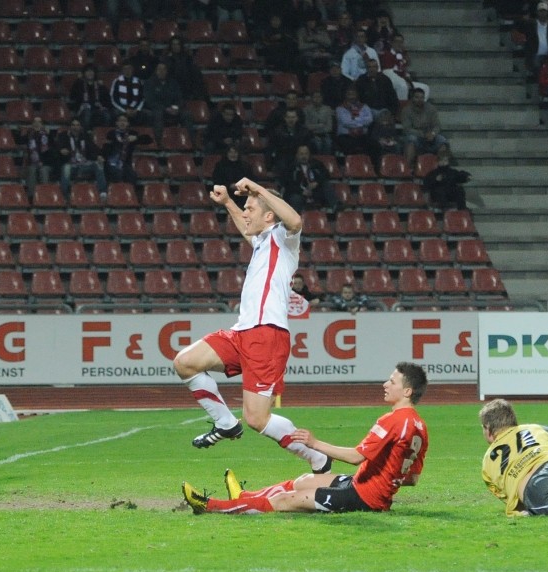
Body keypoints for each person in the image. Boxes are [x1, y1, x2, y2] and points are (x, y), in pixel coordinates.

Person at [172, 178, 332, 474]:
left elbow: (296, 221)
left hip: (267, 335)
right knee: (185, 362)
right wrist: (228, 203)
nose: (244, 213)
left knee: (257, 419)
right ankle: (225, 423)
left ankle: (318, 457)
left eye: (249, 208)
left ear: (269, 215)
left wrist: (258, 189)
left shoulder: (284, 238)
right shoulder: (262, 242)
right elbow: (246, 228)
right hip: (242, 332)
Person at [181, 362, 429, 515]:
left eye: (392, 381)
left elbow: (356, 457)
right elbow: (412, 479)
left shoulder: (393, 420)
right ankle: (245, 497)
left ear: (407, 391)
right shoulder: (420, 426)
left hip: (364, 498)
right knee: (304, 481)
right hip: (363, 486)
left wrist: (314, 443)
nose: (385, 384)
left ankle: (209, 506)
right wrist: (387, 481)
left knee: (285, 501)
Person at [57, 118, 107, 199]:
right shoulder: (63, 136)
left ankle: (102, 192)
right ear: (70, 127)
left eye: (77, 125)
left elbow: (94, 149)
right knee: (66, 168)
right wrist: (61, 150)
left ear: (80, 127)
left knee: (98, 164)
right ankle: (65, 195)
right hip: (71, 164)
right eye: (73, 125)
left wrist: (99, 156)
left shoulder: (85, 136)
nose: (75, 127)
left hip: (84, 164)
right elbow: (58, 147)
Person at [280, 143, 335, 212]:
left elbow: (326, 175)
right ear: (297, 155)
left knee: (327, 184)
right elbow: (287, 184)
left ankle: (336, 207)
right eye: (301, 154)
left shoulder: (316, 164)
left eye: (306, 154)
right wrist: (302, 191)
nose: (304, 156)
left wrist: (317, 182)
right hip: (299, 193)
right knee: (295, 198)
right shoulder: (290, 167)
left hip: (315, 191)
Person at [400, 87, 448, 167]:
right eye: (417, 97)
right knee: (411, 139)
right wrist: (423, 134)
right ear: (412, 98)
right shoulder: (406, 110)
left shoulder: (431, 108)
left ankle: (443, 167)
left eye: (422, 97)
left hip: (430, 137)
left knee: (442, 140)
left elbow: (437, 125)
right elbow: (407, 129)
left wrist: (433, 134)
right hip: (417, 138)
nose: (420, 100)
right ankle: (408, 167)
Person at [15, 115, 57, 198]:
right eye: (35, 122)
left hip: (46, 163)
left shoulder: (48, 135)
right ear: (32, 124)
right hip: (32, 163)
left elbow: (53, 150)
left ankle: (44, 197)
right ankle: (31, 197)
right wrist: (18, 132)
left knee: (43, 171)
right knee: (32, 170)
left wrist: (49, 134)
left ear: (42, 125)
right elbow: (19, 141)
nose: (37, 124)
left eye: (39, 122)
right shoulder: (29, 135)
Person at [69, 65, 113, 131]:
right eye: (87, 71)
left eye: (91, 71)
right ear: (84, 73)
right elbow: (72, 96)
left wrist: (103, 107)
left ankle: (103, 133)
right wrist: (77, 80)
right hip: (84, 110)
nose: (90, 73)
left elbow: (108, 101)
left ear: (95, 73)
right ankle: (87, 133)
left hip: (97, 109)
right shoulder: (79, 85)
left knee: (106, 115)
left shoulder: (100, 86)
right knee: (87, 113)